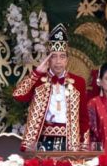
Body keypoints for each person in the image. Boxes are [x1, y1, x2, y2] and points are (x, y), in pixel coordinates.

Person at [14, 23, 89, 152]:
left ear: (67, 60)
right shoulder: (39, 80)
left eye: (62, 56)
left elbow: (83, 117)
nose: (58, 61)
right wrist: (36, 73)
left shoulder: (78, 82)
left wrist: (83, 145)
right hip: (43, 139)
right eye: (53, 56)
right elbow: (18, 95)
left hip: (71, 141)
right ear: (48, 59)